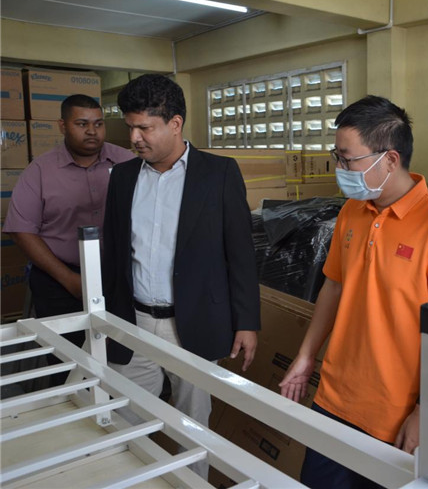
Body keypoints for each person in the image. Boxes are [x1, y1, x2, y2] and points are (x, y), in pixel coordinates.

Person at [279, 95, 428, 488]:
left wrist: (426, 411)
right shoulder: (352, 211)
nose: (340, 169)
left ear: (389, 159)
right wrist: (306, 355)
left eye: (347, 159)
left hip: (394, 413)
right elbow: (334, 286)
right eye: (337, 157)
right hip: (334, 398)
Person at [101, 74, 260, 479]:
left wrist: (246, 322)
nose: (134, 138)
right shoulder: (122, 178)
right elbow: (113, 253)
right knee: (122, 421)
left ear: (175, 123)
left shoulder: (219, 174)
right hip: (133, 322)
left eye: (144, 128)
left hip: (193, 324)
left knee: (193, 428)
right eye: (129, 127)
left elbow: (240, 254)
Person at [3, 94, 133, 343]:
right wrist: (69, 279)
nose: (92, 131)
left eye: (98, 123)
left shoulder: (127, 162)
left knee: (123, 351)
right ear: (62, 126)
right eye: (82, 124)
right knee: (65, 354)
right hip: (59, 278)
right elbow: (21, 230)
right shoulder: (39, 171)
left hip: (118, 275)